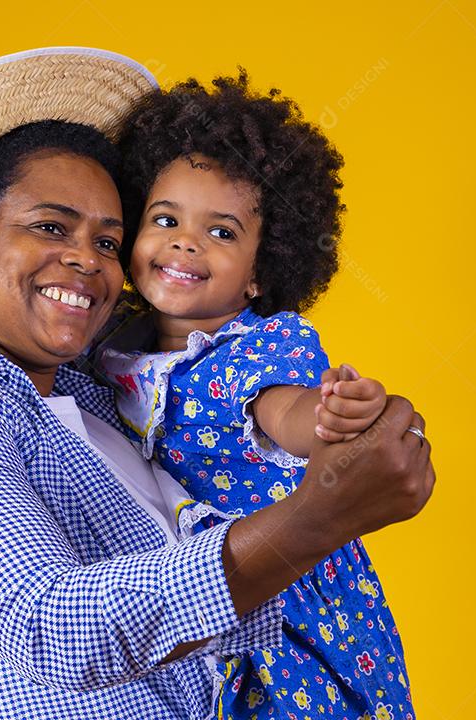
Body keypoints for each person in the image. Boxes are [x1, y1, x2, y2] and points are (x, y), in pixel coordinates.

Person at [0, 48, 434, 720]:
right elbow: (55, 630)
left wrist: (347, 435)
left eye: (106, 241)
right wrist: (319, 516)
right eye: (49, 227)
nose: (84, 261)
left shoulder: (104, 393)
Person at [96, 72, 413, 720]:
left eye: (222, 233)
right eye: (165, 219)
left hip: (284, 604)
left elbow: (284, 412)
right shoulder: (110, 348)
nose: (185, 240)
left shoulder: (257, 350)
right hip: (197, 605)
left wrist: (329, 416)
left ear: (260, 273)